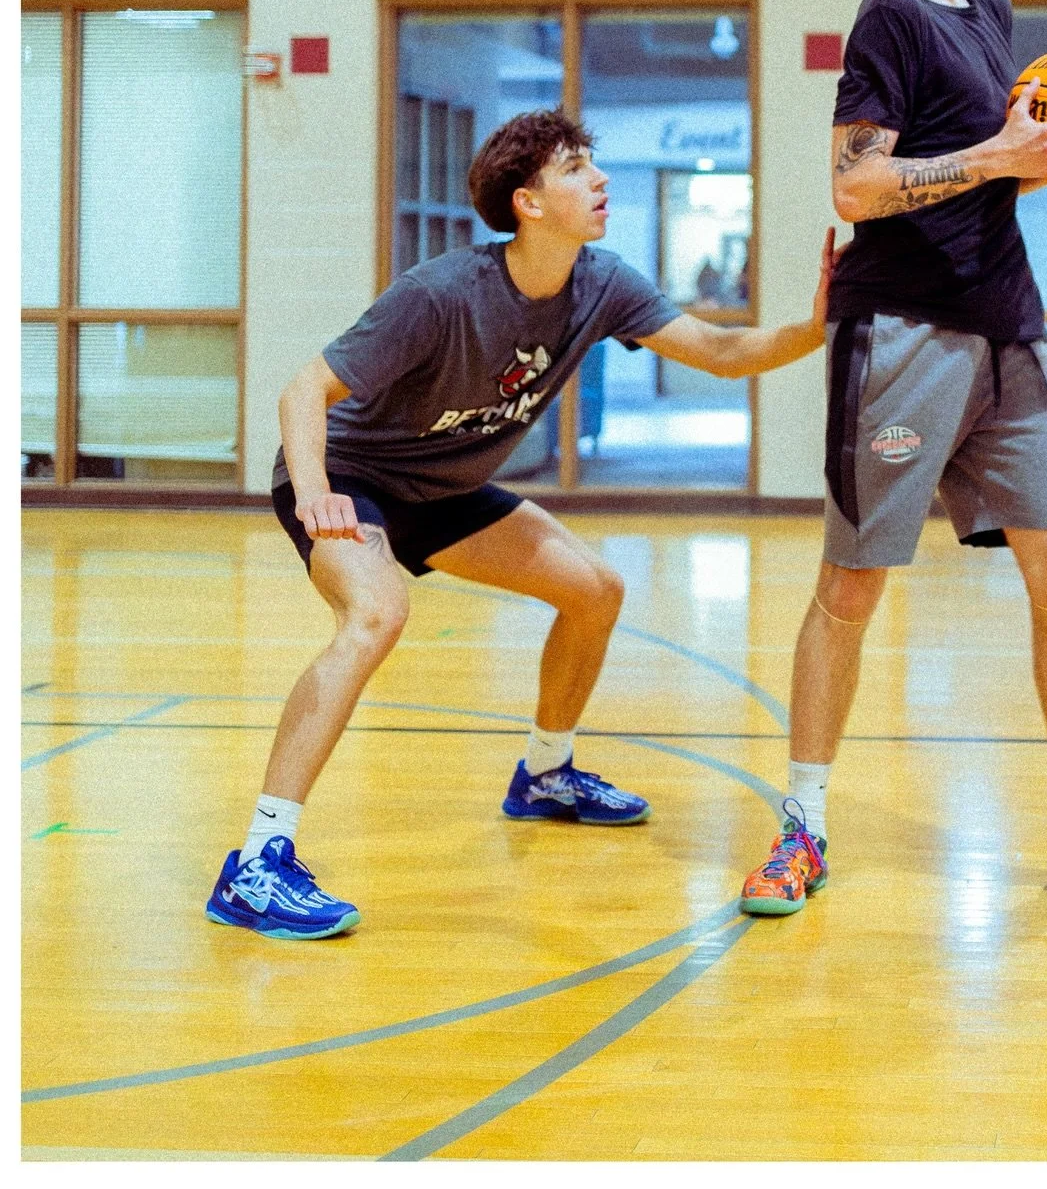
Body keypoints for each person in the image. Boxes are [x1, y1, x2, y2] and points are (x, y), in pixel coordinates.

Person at [208, 108, 833, 939]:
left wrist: (816, 326)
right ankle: (257, 862)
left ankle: (545, 774)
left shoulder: (602, 283)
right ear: (528, 202)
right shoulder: (440, 294)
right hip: (353, 479)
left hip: (445, 488)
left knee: (594, 591)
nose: (599, 179)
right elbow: (303, 390)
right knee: (376, 613)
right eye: (577, 168)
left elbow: (722, 353)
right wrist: (319, 493)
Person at [738, 0, 1047, 923]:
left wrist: (1046, 163)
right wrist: (1002, 158)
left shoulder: (988, 4)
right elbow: (856, 189)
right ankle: (804, 826)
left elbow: (976, 171)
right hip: (903, 333)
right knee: (853, 585)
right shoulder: (887, 22)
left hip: (1008, 323)